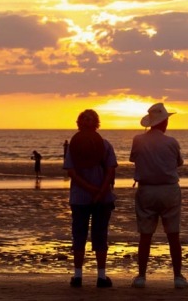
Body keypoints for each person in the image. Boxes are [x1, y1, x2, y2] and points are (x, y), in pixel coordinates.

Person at [129, 102, 188, 289]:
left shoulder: (138, 140)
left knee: (145, 235)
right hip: (169, 189)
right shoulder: (171, 142)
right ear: (163, 123)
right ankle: (178, 276)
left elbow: (133, 158)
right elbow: (178, 163)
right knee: (173, 235)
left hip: (147, 190)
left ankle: (141, 276)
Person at [63, 109, 117, 288]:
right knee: (100, 235)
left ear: (79, 124)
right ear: (97, 124)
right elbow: (110, 171)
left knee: (79, 235)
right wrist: (100, 191)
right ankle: (101, 277)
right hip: (101, 198)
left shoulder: (74, 145)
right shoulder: (105, 144)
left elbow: (71, 172)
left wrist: (91, 190)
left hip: (80, 197)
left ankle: (78, 276)